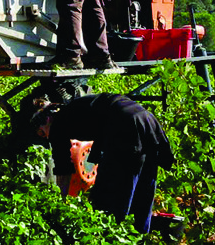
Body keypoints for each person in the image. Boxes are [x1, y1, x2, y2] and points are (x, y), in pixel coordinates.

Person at [31, 93, 174, 232]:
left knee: (112, 189)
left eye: (42, 133)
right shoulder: (72, 108)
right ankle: (140, 234)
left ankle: (114, 234)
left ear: (48, 119)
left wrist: (61, 204)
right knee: (144, 182)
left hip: (124, 124)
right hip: (146, 119)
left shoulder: (58, 124)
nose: (46, 137)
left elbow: (63, 169)